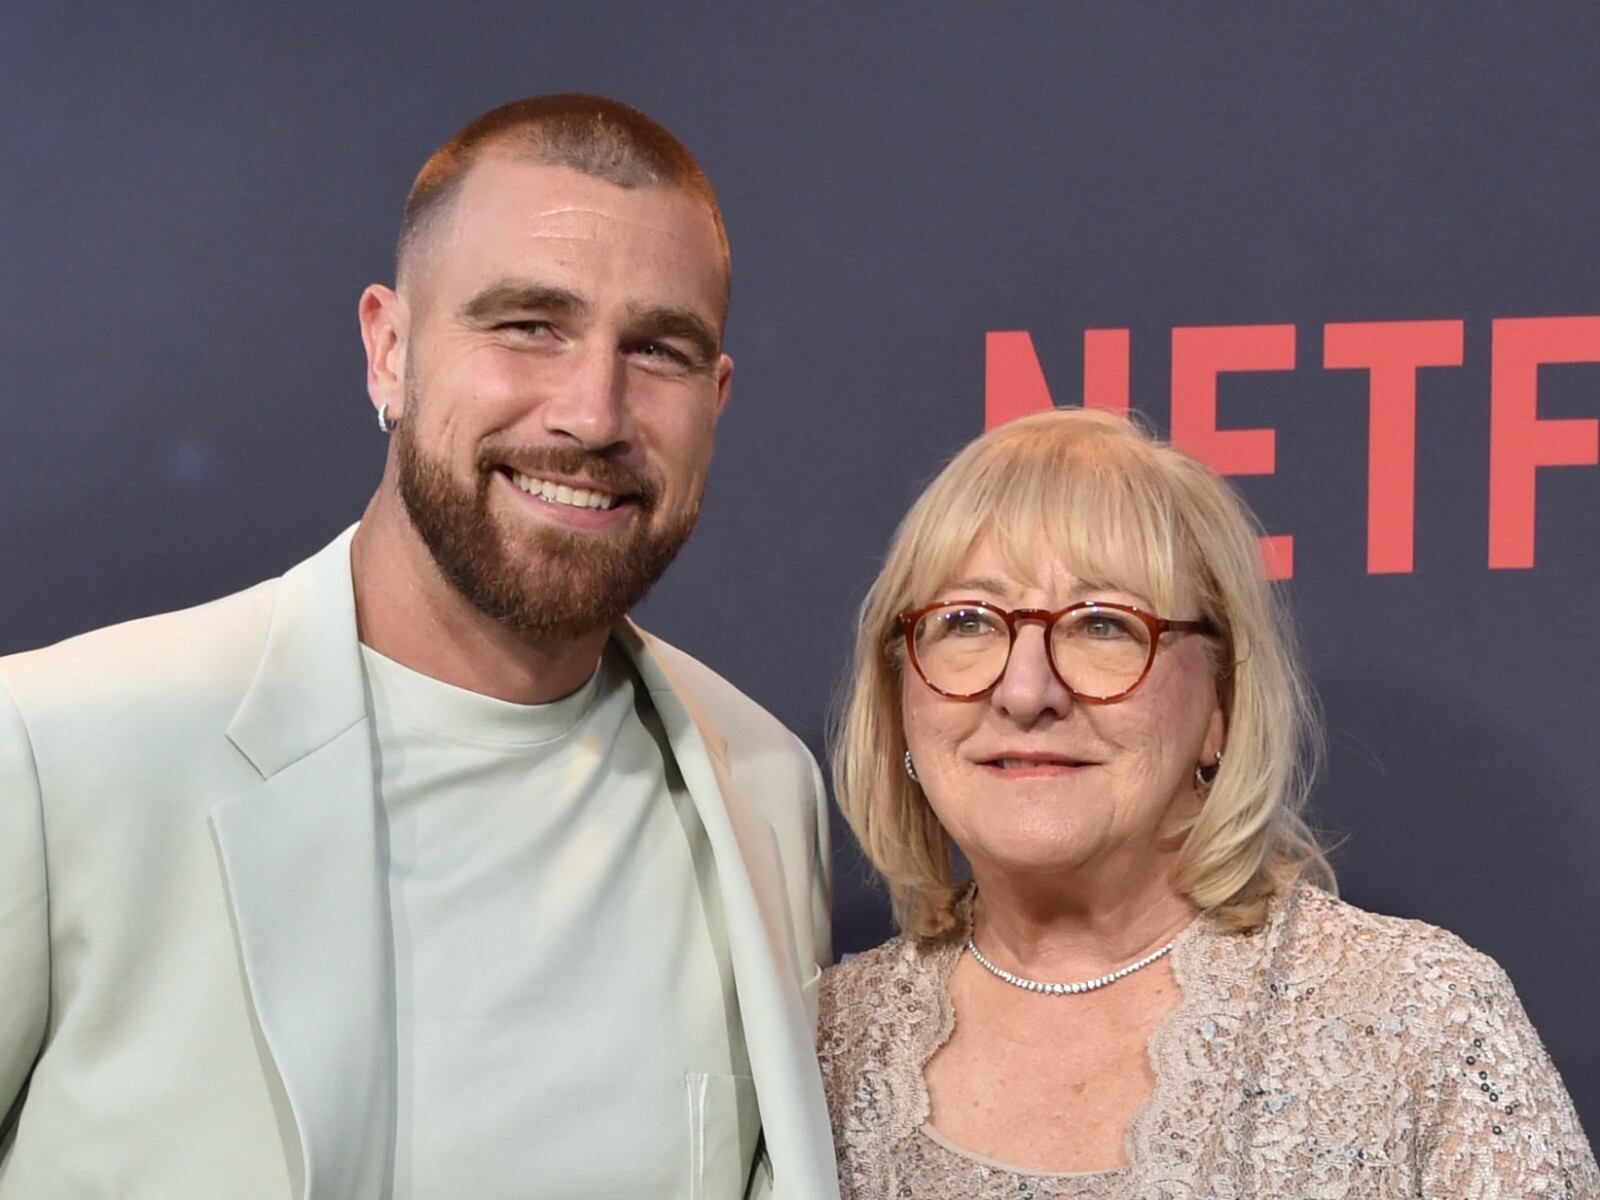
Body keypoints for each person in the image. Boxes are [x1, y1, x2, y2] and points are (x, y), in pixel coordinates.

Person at [0, 95, 837, 1200]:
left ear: (715, 400)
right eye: (529, 324)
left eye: (659, 350)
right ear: (389, 352)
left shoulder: (766, 790)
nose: (593, 412)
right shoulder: (58, 749)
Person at [817, 408, 1596, 1197]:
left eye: (1102, 625)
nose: (1026, 691)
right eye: (967, 622)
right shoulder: (816, 1043)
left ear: (1219, 704)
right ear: (901, 692)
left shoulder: (1422, 1020)